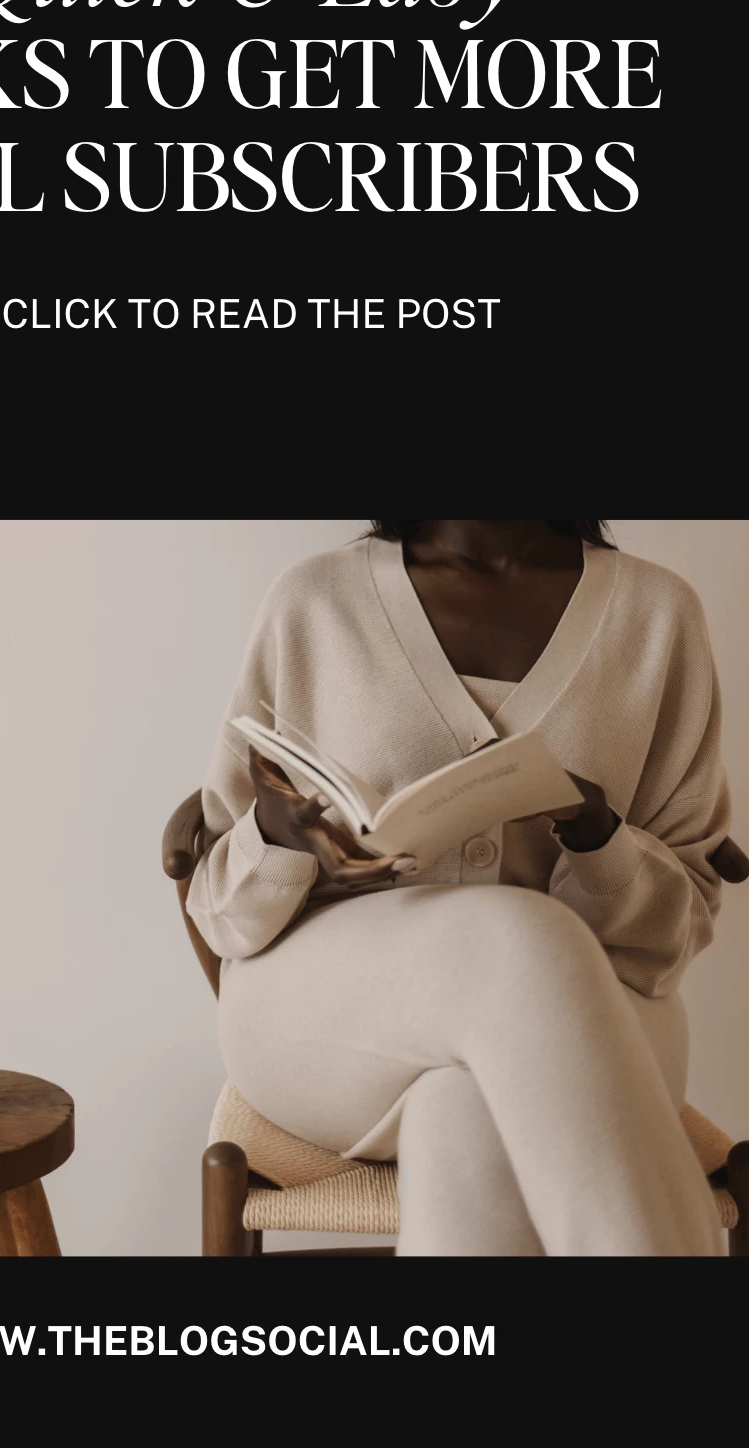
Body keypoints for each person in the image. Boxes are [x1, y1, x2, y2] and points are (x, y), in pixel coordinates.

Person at [187, 521, 731, 1256]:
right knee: (518, 935)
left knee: (468, 1112)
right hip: (325, 1023)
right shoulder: (314, 601)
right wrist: (277, 836)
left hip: (604, 1010)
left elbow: (679, 923)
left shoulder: (658, 615)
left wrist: (598, 836)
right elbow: (221, 911)